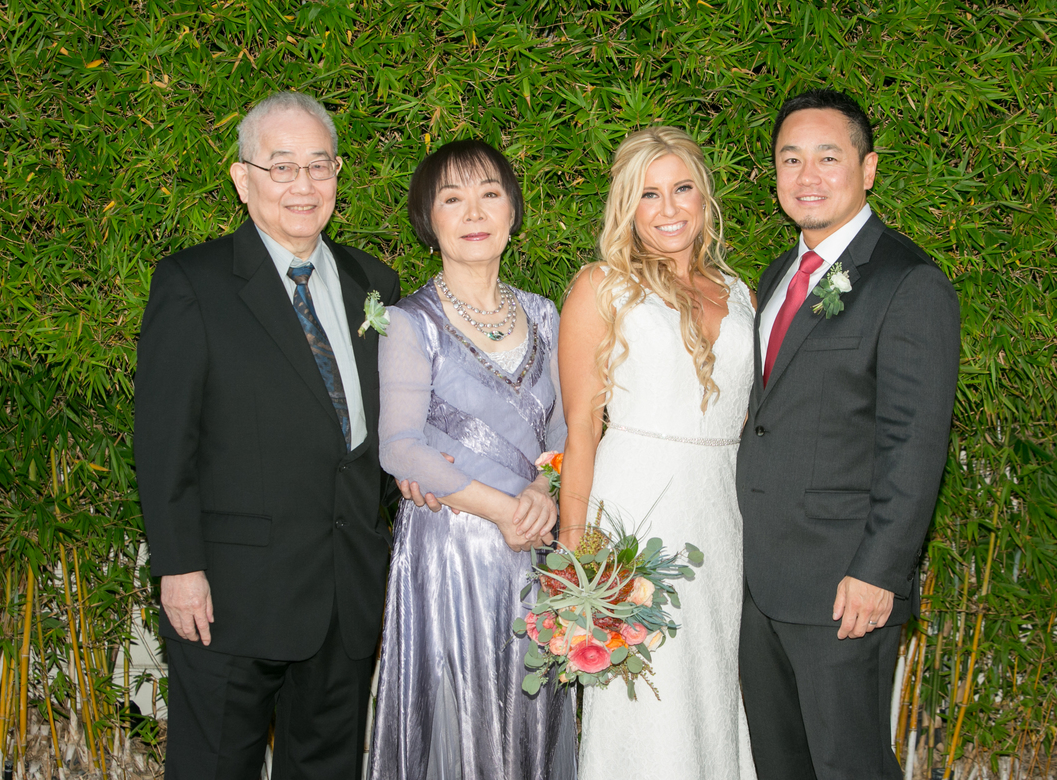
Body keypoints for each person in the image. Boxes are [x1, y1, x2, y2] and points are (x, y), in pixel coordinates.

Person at [134, 91, 400, 778]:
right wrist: (178, 568)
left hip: (344, 591)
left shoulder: (374, 283)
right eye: (282, 167)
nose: (303, 185)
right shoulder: (193, 283)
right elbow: (164, 442)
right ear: (243, 178)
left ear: (337, 173)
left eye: (319, 165)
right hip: (231, 596)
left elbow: (385, 433)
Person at [736, 88, 960, 779]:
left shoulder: (907, 281)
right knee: (782, 766)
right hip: (761, 583)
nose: (807, 176)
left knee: (848, 767)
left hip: (843, 588)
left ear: (867, 168)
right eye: (791, 159)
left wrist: (877, 573)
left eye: (828, 157)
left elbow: (914, 443)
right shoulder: (779, 274)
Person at [369, 139, 576, 780]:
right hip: (451, 550)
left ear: (512, 210)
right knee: (458, 719)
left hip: (537, 545)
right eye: (452, 199)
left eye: (490, 193)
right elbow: (399, 447)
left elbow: (566, 429)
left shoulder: (546, 314)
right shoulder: (410, 322)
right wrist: (506, 511)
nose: (474, 212)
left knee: (532, 714)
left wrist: (543, 491)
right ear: (428, 220)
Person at [559, 126, 757, 779]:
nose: (669, 208)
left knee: (711, 683)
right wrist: (576, 566)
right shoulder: (602, 287)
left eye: (682, 189)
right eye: (649, 194)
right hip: (636, 518)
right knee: (645, 698)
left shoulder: (742, 293)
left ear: (705, 197)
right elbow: (581, 431)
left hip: (721, 517)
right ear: (627, 205)